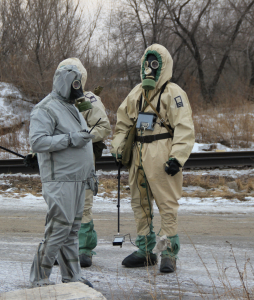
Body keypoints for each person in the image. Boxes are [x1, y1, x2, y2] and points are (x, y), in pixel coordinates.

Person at [111, 44, 195, 273]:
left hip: (162, 151)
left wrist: (177, 158)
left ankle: (168, 251)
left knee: (166, 203)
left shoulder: (173, 93)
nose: (151, 68)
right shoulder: (136, 93)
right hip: (138, 153)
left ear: (164, 65)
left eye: (155, 63)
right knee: (140, 203)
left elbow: (184, 127)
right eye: (147, 63)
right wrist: (118, 148)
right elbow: (122, 124)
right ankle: (145, 251)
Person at [28, 63, 96, 287]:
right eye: (75, 83)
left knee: (72, 230)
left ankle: (72, 277)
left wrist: (90, 174)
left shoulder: (73, 108)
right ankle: (39, 278)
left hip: (77, 179)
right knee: (58, 228)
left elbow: (83, 142)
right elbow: (37, 141)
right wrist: (69, 139)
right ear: (65, 82)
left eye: (80, 84)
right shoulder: (45, 109)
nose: (78, 88)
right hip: (60, 180)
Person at [57, 58, 111, 268]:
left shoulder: (89, 100)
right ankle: (60, 248)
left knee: (83, 205)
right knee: (61, 206)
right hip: (61, 163)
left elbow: (103, 127)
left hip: (83, 161)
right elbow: (43, 130)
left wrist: (81, 137)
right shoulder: (54, 103)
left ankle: (84, 248)